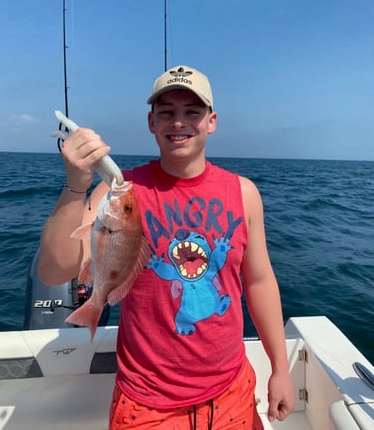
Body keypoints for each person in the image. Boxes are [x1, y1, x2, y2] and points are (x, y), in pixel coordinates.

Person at [39, 65, 294, 429]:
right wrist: (76, 185)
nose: (179, 123)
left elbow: (259, 282)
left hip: (232, 391)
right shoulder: (120, 191)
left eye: (192, 112)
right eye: (167, 112)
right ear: (151, 122)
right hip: (146, 403)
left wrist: (280, 370)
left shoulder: (244, 193)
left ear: (212, 121)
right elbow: (54, 271)